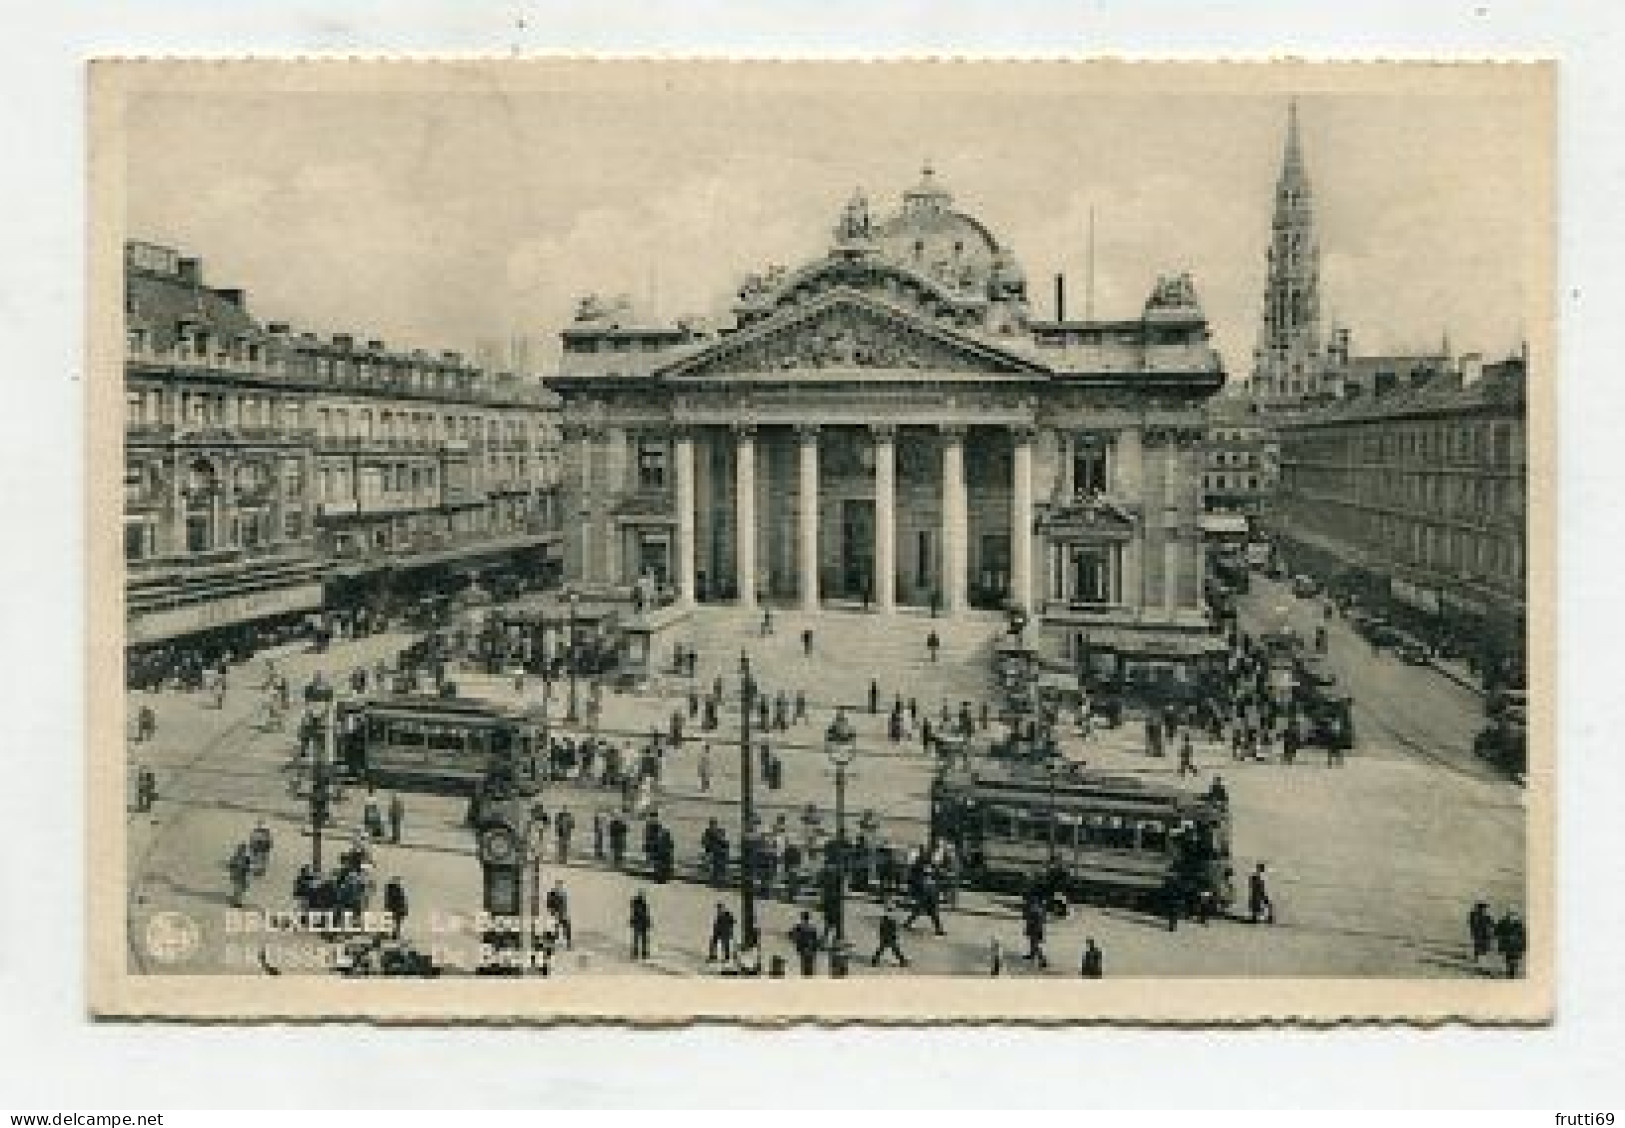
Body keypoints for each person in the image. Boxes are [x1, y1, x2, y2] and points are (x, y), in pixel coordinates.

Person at [871, 902, 909, 967]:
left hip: (886, 936)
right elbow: (892, 929)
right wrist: (894, 935)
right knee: (894, 949)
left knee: (883, 949)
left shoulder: (885, 918)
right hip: (889, 936)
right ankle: (902, 961)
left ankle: (874, 961)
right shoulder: (891, 919)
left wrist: (882, 935)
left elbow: (882, 929)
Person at [1495, 909, 1526, 978]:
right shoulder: (1517, 924)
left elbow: (1496, 932)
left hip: (1512, 945)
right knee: (1512, 959)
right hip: (1512, 945)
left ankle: (1511, 972)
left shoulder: (1504, 922)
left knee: (1511, 959)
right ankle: (1511, 972)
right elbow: (1497, 932)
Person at [789, 911, 820, 976]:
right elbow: (815, 939)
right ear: (808, 918)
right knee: (810, 965)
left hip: (803, 948)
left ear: (802, 918)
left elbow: (791, 935)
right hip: (810, 949)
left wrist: (795, 940)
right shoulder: (812, 928)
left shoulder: (799, 927)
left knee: (804, 964)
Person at [1022, 895, 1049, 969]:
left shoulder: (1035, 908)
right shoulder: (1038, 907)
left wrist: (1030, 925)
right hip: (1035, 925)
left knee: (1035, 943)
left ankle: (1042, 959)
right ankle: (1033, 955)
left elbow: (1033, 918)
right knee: (1033, 942)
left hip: (1035, 926)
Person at [545, 879, 573, 950]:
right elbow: (549, 904)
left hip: (563, 913)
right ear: (556, 885)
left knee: (567, 928)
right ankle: (552, 944)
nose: (559, 886)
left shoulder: (563, 893)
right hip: (555, 914)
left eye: (560, 885)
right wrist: (553, 912)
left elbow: (564, 904)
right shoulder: (552, 893)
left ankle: (568, 944)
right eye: (558, 885)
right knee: (555, 930)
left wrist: (565, 913)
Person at [1468, 901, 1495, 966]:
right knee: (1478, 944)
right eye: (1483, 908)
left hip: (1482, 931)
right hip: (1479, 931)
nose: (1483, 910)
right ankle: (1477, 956)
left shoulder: (1481, 915)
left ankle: (1479, 955)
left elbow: (1490, 923)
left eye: (1484, 908)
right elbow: (1473, 923)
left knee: (1481, 943)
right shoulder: (1476, 915)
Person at [629, 890, 652, 961]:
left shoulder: (638, 905)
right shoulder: (641, 905)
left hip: (640, 923)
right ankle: (641, 953)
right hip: (641, 923)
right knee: (641, 939)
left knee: (639, 939)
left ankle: (639, 953)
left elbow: (644, 914)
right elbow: (645, 914)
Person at [383, 876, 408, 940]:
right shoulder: (394, 888)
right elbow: (400, 899)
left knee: (395, 922)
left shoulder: (393, 888)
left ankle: (393, 934)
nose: (398, 882)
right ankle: (391, 934)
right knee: (394, 922)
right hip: (395, 907)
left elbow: (402, 899)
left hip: (395, 908)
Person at [228, 843, 252, 908]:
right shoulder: (236, 857)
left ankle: (237, 901)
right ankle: (235, 902)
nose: (243, 850)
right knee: (238, 890)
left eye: (244, 849)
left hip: (242, 876)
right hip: (238, 875)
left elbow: (248, 868)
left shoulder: (246, 858)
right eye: (242, 849)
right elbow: (232, 866)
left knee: (241, 890)